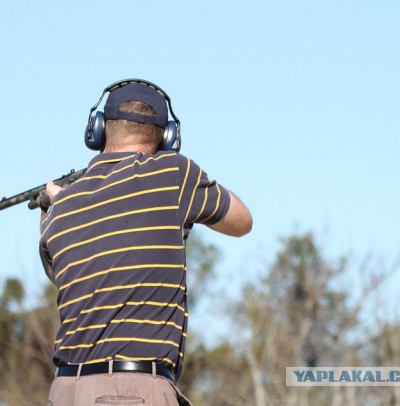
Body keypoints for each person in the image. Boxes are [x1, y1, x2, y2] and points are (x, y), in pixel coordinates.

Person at [39, 79, 252, 405]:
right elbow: (242, 221)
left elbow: (74, 281)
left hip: (64, 392)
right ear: (167, 137)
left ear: (98, 130)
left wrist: (55, 204)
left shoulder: (61, 208)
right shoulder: (174, 174)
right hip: (132, 392)